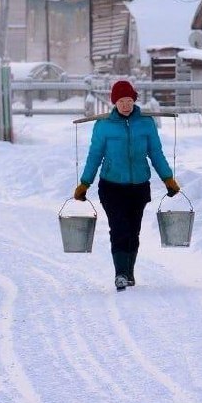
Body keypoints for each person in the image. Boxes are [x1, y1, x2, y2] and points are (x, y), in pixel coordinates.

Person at [73, 79, 180, 291]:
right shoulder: (103, 126)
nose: (125, 104)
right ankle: (120, 273)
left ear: (134, 100)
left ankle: (129, 272)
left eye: (129, 100)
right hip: (112, 186)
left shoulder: (146, 123)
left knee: (133, 231)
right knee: (119, 228)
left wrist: (168, 179)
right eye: (121, 100)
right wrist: (84, 183)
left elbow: (156, 153)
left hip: (139, 186)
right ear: (114, 102)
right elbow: (94, 156)